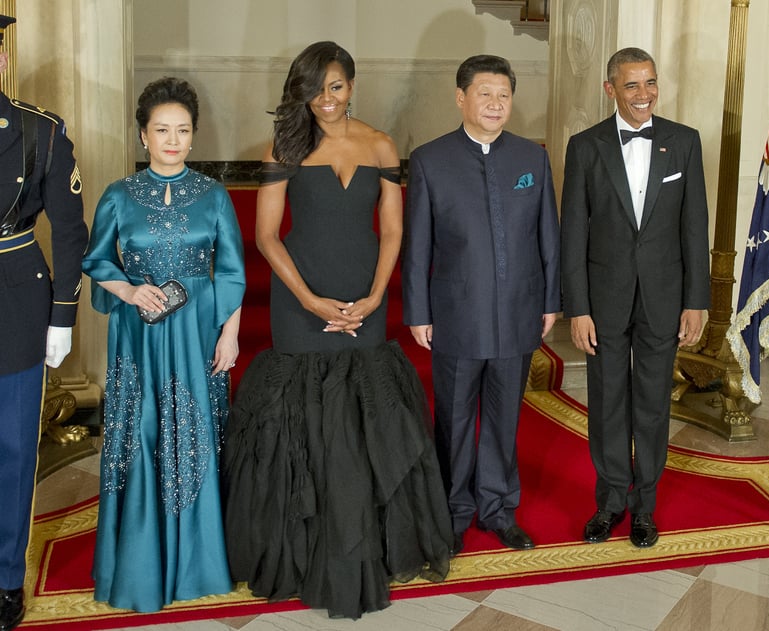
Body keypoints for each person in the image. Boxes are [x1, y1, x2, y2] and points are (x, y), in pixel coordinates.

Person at [221, 41, 452, 619]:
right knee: (301, 418)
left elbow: (393, 232)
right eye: (314, 88)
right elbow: (269, 236)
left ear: (353, 85)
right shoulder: (286, 145)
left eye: (336, 87)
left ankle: (356, 544)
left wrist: (375, 296)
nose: (325, 100)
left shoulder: (380, 144)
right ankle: (296, 551)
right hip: (301, 300)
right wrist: (311, 301)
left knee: (358, 417)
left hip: (363, 298)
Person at [82, 77, 245, 611]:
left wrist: (231, 333)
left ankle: (200, 561)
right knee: (143, 429)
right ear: (143, 136)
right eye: (162, 130)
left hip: (200, 329)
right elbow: (99, 261)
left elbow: (231, 271)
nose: (173, 140)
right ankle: (139, 560)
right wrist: (129, 289)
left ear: (193, 137)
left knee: (198, 430)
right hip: (141, 331)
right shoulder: (118, 196)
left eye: (183, 131)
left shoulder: (214, 195)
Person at [402, 54, 561, 557]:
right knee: (452, 419)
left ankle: (497, 508)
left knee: (503, 418)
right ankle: (453, 511)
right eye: (485, 94)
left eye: (504, 95)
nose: (495, 104)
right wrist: (418, 311)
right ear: (461, 98)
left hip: (519, 311)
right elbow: (418, 245)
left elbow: (548, 238)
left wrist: (551, 300)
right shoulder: (431, 159)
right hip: (456, 314)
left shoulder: (531, 159)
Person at [560, 47, 710, 548]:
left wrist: (697, 299)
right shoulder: (584, 147)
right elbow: (572, 236)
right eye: (631, 85)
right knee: (606, 402)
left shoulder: (684, 143)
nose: (643, 94)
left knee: (651, 404)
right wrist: (577, 307)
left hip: (665, 298)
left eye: (650, 83)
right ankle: (609, 503)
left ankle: (644, 506)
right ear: (610, 90)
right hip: (603, 300)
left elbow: (694, 229)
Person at [0, 15, 88, 631]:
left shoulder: (40, 132)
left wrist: (62, 315)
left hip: (15, 300)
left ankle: (5, 577)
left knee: (9, 448)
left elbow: (72, 230)